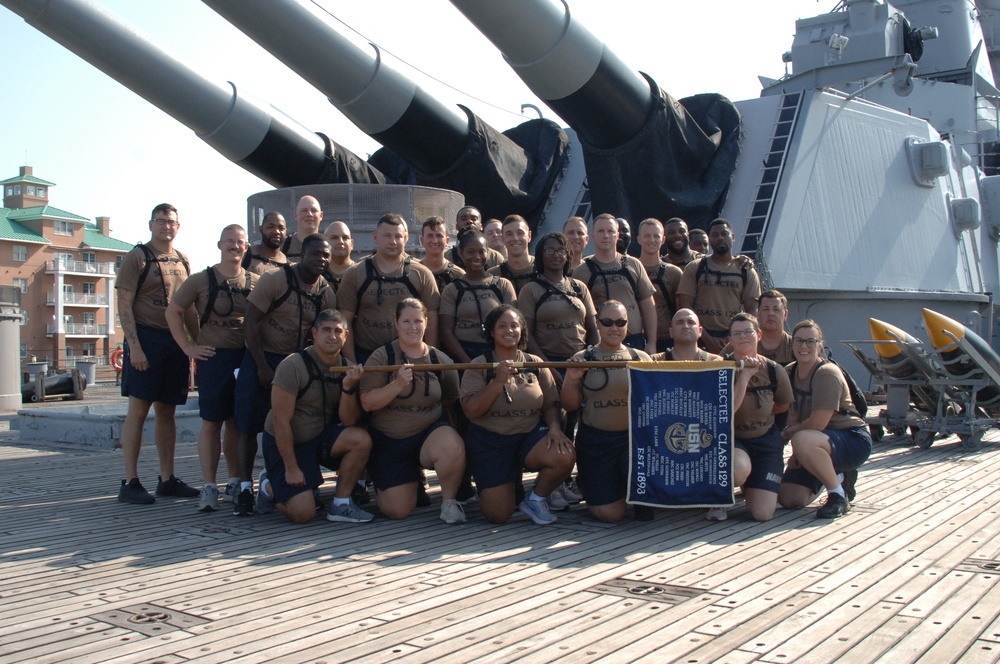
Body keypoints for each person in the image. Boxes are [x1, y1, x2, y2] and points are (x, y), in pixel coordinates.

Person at [232, 234, 337, 516]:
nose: (321, 260)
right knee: (249, 424)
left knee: (295, 423)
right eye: (315, 254)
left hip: (298, 363)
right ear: (301, 255)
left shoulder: (325, 291)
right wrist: (261, 366)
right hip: (262, 356)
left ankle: (288, 481)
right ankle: (244, 487)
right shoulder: (275, 280)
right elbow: (250, 323)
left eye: (326, 256)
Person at [165, 224, 258, 512]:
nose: (234, 246)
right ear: (220, 245)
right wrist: (188, 347)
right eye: (229, 242)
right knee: (211, 423)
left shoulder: (256, 281)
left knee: (237, 423)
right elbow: (173, 311)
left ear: (246, 247)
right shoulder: (201, 280)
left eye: (240, 242)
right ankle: (208, 485)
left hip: (243, 359)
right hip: (213, 358)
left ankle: (233, 481)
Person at [255, 309, 373, 524]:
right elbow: (280, 421)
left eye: (338, 331)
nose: (332, 336)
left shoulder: (347, 368)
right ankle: (268, 485)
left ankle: (341, 503)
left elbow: (348, 422)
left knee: (361, 439)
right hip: (288, 442)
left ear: (346, 336)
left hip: (320, 438)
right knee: (303, 514)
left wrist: (347, 388)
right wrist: (291, 468)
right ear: (314, 333)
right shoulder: (293, 365)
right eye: (326, 330)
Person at [460, 305, 575, 524]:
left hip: (528, 435)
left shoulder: (534, 363)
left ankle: (536, 498)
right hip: (490, 441)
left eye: (514, 325)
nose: (509, 330)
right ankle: (510, 485)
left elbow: (551, 404)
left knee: (564, 453)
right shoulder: (479, 365)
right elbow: (471, 411)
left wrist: (554, 427)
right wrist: (498, 381)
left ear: (522, 330)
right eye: (501, 326)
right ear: (491, 332)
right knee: (498, 516)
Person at [115, 203, 198, 505]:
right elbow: (124, 304)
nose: (166, 226)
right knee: (138, 410)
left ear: (178, 226)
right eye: (160, 221)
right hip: (145, 339)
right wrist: (134, 346)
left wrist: (195, 344)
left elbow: (188, 307)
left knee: (167, 411)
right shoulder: (138, 257)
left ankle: (167, 479)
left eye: (171, 222)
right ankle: (130, 480)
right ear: (151, 224)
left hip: (173, 341)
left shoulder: (183, 260)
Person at [359, 298, 467, 524]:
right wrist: (396, 385)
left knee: (451, 443)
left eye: (418, 321)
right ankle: (407, 479)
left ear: (427, 323)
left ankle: (448, 503)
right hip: (390, 441)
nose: (413, 327)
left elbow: (450, 400)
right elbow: (368, 403)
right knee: (397, 511)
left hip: (426, 436)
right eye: (406, 321)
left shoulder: (440, 360)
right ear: (396, 324)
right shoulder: (382, 357)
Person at [561, 300, 652, 522]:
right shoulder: (583, 358)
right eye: (608, 322)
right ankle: (597, 486)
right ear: (597, 324)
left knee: (645, 512)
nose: (614, 327)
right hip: (596, 443)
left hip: (633, 442)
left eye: (620, 322)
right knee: (610, 515)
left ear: (628, 325)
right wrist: (572, 379)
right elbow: (569, 405)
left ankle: (629, 488)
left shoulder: (642, 358)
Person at [778, 320, 872, 518]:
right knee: (789, 498)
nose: (804, 347)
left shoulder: (827, 373)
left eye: (811, 341)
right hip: (816, 443)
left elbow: (817, 423)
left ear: (820, 345)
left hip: (851, 439)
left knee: (802, 438)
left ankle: (837, 495)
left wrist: (787, 436)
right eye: (799, 341)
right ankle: (838, 476)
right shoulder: (789, 372)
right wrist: (798, 454)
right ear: (791, 344)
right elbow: (793, 418)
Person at [710, 313, 792, 522]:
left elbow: (783, 405)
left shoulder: (774, 370)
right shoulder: (720, 369)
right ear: (730, 339)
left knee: (763, 514)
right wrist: (744, 376)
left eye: (748, 331)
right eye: (737, 333)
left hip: (765, 441)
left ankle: (752, 483)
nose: (743, 337)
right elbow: (724, 413)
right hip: (733, 440)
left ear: (759, 334)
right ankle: (721, 496)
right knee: (738, 469)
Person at [338, 213, 440, 364]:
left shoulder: (422, 274)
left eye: (398, 236)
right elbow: (344, 321)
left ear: (405, 238)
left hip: (411, 358)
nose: (393, 241)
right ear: (375, 237)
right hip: (365, 355)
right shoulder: (355, 274)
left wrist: (427, 361)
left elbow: (432, 321)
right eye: (387, 235)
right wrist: (351, 364)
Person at [573, 213, 657, 354]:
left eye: (610, 231)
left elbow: (648, 305)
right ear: (593, 235)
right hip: (600, 344)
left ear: (617, 235)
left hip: (634, 341)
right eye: (601, 231)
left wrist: (652, 343)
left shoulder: (633, 264)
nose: (606, 235)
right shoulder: (581, 271)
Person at [676, 218, 762, 354]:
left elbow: (752, 310)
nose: (720, 238)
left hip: (733, 339)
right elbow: (685, 305)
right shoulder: (695, 267)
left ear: (732, 237)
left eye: (724, 234)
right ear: (709, 239)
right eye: (715, 235)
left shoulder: (746, 270)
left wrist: (735, 338)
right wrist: (705, 337)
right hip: (700, 339)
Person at [518, 232, 598, 363]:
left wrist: (591, 360)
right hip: (548, 361)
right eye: (550, 250)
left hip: (581, 361)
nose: (556, 255)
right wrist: (547, 368)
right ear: (540, 254)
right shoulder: (530, 290)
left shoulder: (579, 287)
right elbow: (527, 336)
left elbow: (593, 329)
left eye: (561, 250)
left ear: (567, 255)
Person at [440, 228, 517, 363]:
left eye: (482, 251)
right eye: (470, 252)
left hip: (497, 354)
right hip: (463, 354)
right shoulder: (452, 290)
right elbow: (446, 331)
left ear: (488, 253)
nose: (477, 257)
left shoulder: (503, 285)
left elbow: (515, 326)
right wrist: (469, 364)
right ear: (460, 253)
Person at [637, 218, 683, 353]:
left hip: (668, 338)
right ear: (639, 239)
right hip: (637, 337)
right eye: (647, 236)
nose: (652, 240)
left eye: (656, 236)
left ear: (663, 240)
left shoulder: (673, 272)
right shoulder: (631, 269)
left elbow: (681, 307)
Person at [651, 308, 722, 361]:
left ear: (700, 331)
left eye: (691, 322)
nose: (686, 326)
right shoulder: (654, 361)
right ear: (671, 332)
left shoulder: (715, 362)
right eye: (680, 322)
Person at [488, 214, 535, 295]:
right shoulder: (493, 275)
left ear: (529, 236)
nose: (515, 238)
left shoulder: (545, 268)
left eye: (520, 233)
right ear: (502, 239)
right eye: (509, 234)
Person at [447, 205, 504, 270]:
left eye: (474, 219)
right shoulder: (447, 257)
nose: (469, 221)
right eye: (464, 219)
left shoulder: (495, 258)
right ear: (456, 226)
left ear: (481, 226)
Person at [418, 216, 465, 291]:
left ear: (447, 241)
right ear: (422, 241)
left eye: (439, 236)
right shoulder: (414, 272)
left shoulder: (459, 275)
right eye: (430, 236)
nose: (435, 241)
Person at [243, 211, 288, 276]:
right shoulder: (245, 255)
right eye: (271, 227)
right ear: (261, 229)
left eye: (281, 228)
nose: (276, 231)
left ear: (285, 232)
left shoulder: (287, 265)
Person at [281, 195, 323, 261]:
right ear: (296, 215)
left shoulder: (329, 246)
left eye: (314, 210)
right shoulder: (283, 246)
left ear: (321, 216)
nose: (309, 214)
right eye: (304, 210)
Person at [323, 220, 355, 293]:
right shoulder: (317, 275)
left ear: (352, 244)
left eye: (345, 238)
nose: (341, 242)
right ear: (325, 243)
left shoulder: (361, 273)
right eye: (334, 238)